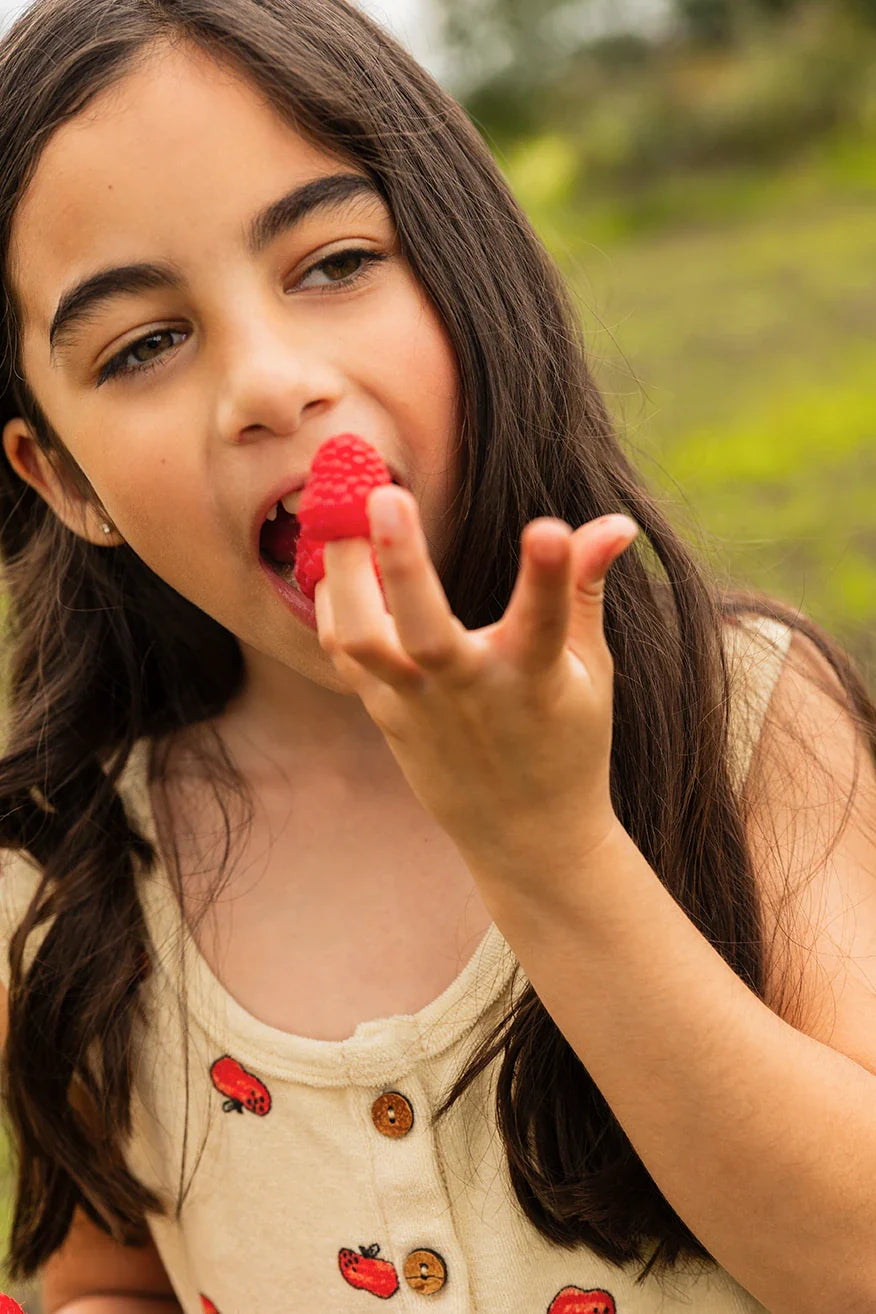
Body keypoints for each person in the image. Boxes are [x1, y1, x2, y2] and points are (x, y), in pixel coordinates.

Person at [0, 1, 874, 1311]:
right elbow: (104, 1278)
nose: (270, 382)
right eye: (144, 345)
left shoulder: (734, 715)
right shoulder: (76, 885)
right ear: (64, 478)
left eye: (333, 262)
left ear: (470, 273)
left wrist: (551, 850)